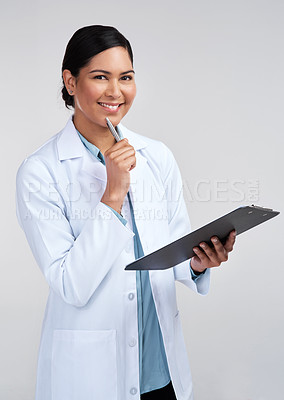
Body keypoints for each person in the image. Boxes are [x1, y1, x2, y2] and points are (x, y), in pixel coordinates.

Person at [16, 25, 236, 400]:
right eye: (100, 77)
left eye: (126, 77)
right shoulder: (40, 170)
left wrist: (199, 262)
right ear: (70, 82)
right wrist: (113, 193)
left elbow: (171, 251)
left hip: (160, 365)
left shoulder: (157, 155)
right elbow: (71, 284)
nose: (116, 91)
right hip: (91, 374)